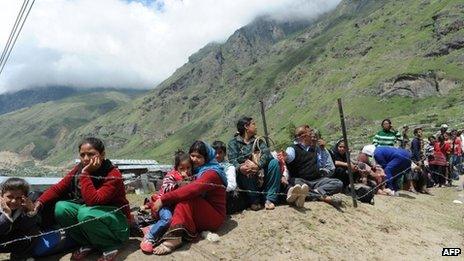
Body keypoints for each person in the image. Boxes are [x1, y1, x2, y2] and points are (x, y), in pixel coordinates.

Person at [35, 137, 130, 261]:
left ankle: (110, 245)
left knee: (85, 213)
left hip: (116, 222)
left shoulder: (112, 174)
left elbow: (94, 201)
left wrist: (85, 174)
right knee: (61, 208)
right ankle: (87, 242)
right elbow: (59, 188)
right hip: (94, 215)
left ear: (102, 155)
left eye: (91, 154)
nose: (85, 159)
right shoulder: (78, 169)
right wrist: (39, 202)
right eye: (82, 155)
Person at [151, 141, 228, 255]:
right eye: (192, 155)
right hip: (201, 211)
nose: (194, 159)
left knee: (186, 198)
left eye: (199, 156)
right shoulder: (197, 170)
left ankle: (175, 238)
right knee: (179, 197)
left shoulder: (211, 172)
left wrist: (164, 199)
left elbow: (192, 190)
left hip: (214, 216)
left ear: (207, 157)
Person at [139, 150, 192, 253]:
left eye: (188, 168)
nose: (185, 171)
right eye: (182, 168)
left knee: (175, 221)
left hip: (174, 206)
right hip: (163, 205)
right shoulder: (171, 176)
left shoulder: (191, 177)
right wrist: (178, 184)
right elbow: (165, 189)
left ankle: (151, 228)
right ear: (176, 168)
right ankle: (149, 238)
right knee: (167, 219)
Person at [227, 117, 281, 211]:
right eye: (253, 124)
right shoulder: (233, 143)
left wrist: (258, 165)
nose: (256, 127)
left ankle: (270, 199)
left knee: (274, 163)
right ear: (246, 127)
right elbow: (232, 160)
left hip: (260, 173)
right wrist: (240, 167)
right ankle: (254, 200)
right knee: (246, 167)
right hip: (245, 178)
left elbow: (267, 154)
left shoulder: (258, 141)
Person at [284, 125, 343, 208]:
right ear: (304, 136)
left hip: (316, 181)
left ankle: (310, 193)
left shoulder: (315, 148)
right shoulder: (292, 149)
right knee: (294, 183)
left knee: (338, 183)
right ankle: (322, 196)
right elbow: (288, 157)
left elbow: (325, 164)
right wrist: (285, 156)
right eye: (310, 133)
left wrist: (323, 149)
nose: (312, 135)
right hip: (301, 181)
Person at [0, 178, 40, 260]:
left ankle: (19, 257)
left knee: (33, 233)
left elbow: (26, 227)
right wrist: (6, 215)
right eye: (9, 197)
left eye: (18, 197)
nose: (14, 201)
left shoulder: (22, 208)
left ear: (25, 197)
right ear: (1, 196)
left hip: (8, 240)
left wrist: (30, 213)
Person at [212, 141, 247, 214]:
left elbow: (232, 185)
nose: (217, 155)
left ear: (224, 154)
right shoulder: (209, 166)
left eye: (220, 152)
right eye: (215, 153)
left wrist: (216, 190)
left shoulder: (229, 167)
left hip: (228, 197)